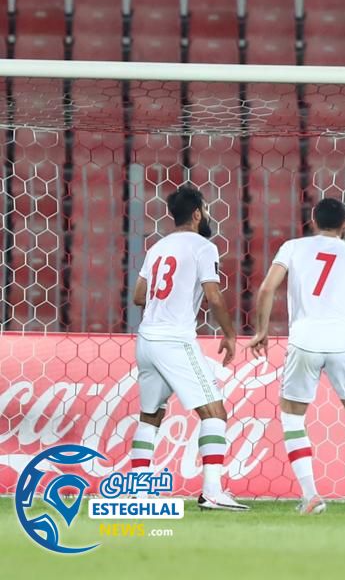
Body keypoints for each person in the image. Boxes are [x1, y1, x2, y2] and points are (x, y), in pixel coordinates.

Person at [248, 198, 345, 516]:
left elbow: (265, 289)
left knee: (292, 417)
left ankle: (312, 495)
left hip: (304, 340)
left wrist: (261, 331)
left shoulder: (293, 247)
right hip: (343, 342)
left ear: (313, 222)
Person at [129, 184, 247, 511]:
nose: (207, 215)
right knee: (214, 411)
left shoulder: (157, 248)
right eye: (206, 210)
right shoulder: (203, 247)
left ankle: (139, 494)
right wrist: (230, 333)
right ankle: (212, 491)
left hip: (146, 339)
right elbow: (214, 296)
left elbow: (140, 295)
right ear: (197, 214)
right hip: (174, 340)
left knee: (150, 415)